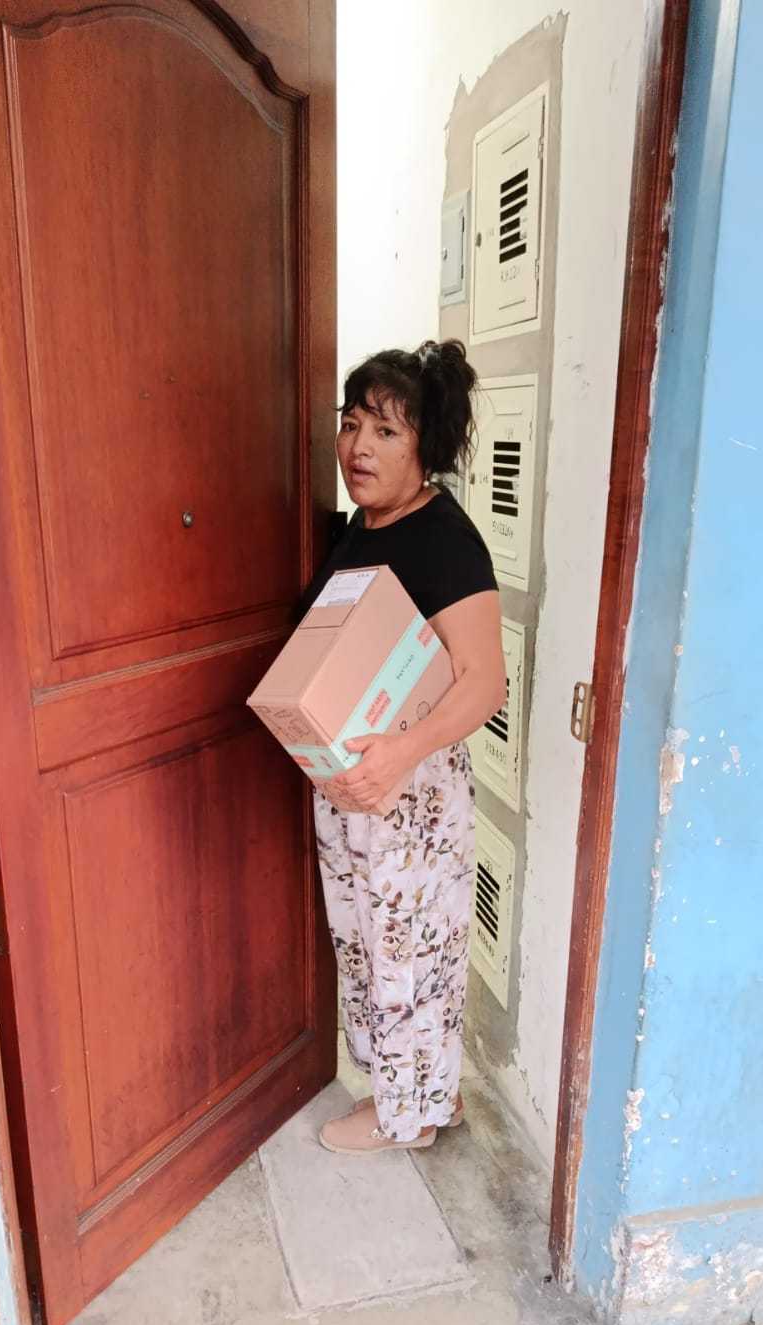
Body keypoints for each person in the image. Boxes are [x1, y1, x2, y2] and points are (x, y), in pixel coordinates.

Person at [304, 339, 506, 1155]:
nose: (358, 446)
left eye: (385, 431)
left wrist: (399, 752)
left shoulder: (443, 539)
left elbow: (484, 683)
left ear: (426, 446)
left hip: (409, 789)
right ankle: (427, 1093)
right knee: (371, 946)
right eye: (352, 423)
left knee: (407, 954)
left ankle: (405, 1117)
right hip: (355, 783)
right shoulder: (361, 527)